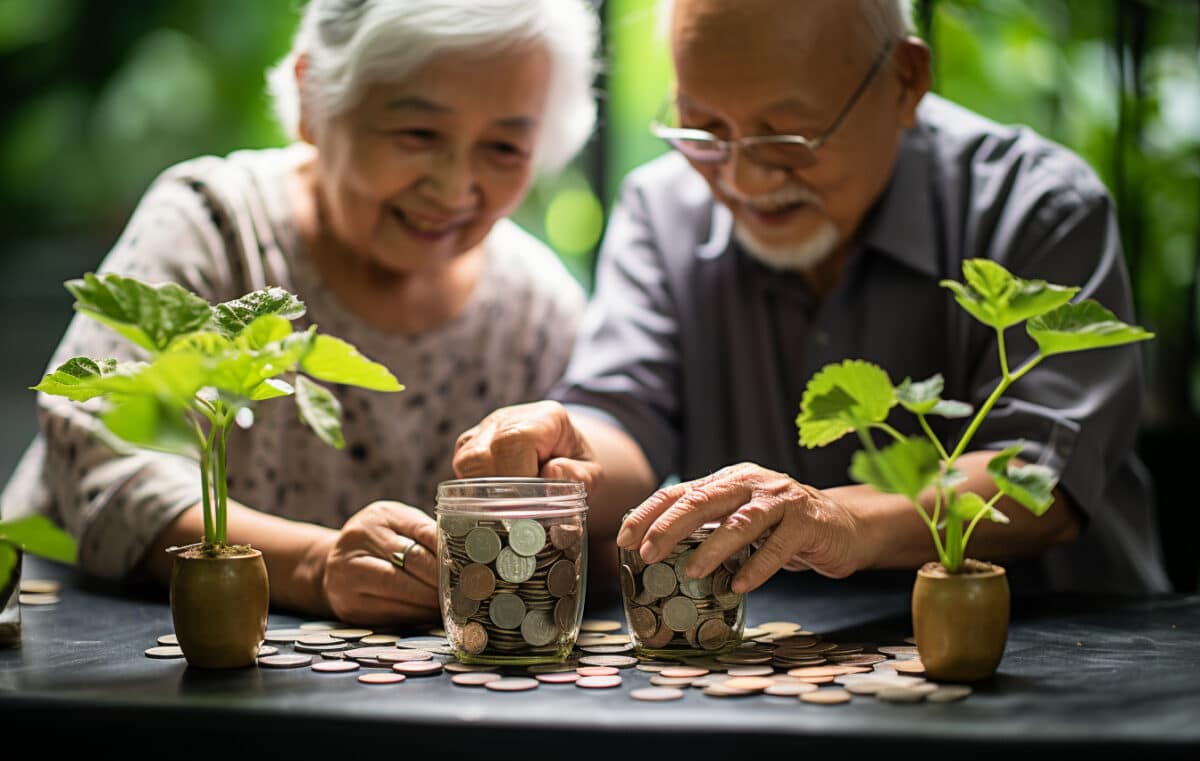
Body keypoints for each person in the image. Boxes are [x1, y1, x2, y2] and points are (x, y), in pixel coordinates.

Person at [453, 0, 1171, 597]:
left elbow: (1037, 475)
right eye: (703, 131)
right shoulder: (661, 209)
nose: (744, 179)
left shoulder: (1035, 207)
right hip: (772, 672)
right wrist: (571, 449)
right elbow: (625, 415)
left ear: (905, 82)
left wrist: (844, 520)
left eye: (787, 137)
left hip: (1055, 664)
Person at [0, 0, 601, 624]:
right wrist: (315, 566)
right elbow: (99, 456)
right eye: (418, 134)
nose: (453, 189)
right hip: (82, 661)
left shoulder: (537, 309)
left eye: (504, 147)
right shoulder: (214, 225)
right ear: (313, 98)